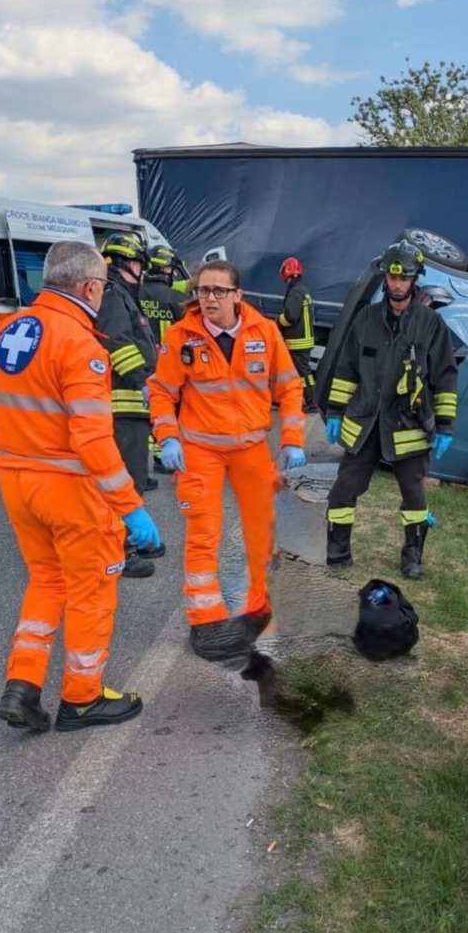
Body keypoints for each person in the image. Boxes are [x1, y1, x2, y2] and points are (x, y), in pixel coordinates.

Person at [0, 239, 162, 733]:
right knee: (92, 590)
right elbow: (92, 439)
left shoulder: (5, 332)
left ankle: (23, 684)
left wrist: (8, 464)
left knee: (46, 582)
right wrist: (130, 507)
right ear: (91, 286)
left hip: (18, 486)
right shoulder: (80, 345)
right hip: (71, 491)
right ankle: (83, 696)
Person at [148, 259, 307, 662]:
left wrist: (292, 439)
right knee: (204, 533)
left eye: (219, 291)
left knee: (262, 532)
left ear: (238, 295)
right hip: (199, 450)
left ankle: (257, 608)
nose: (210, 299)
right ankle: (205, 621)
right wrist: (168, 438)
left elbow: (289, 388)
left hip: (251, 448)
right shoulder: (181, 336)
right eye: (203, 291)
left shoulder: (264, 332)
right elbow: (162, 392)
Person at [324, 240, 458, 580]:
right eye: (392, 277)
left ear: (414, 280)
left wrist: (444, 426)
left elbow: (444, 377)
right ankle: (338, 552)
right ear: (385, 278)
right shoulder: (366, 320)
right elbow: (346, 368)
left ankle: (412, 557)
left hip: (409, 423)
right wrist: (337, 411)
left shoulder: (430, 324)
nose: (397, 284)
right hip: (365, 421)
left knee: (413, 495)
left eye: (404, 278)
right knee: (343, 490)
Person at [97, 231, 164, 577]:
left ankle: (128, 542)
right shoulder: (112, 295)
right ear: (126, 262)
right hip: (123, 406)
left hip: (132, 408)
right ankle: (118, 551)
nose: (142, 269)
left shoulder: (122, 295)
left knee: (134, 479)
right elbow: (118, 344)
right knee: (126, 482)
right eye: (138, 262)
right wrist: (143, 381)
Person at [139, 244, 191, 475]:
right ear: (167, 269)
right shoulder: (176, 299)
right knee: (171, 409)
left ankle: (154, 456)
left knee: (149, 411)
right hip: (171, 363)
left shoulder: (133, 295)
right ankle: (167, 454)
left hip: (140, 362)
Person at [276, 256, 318, 413]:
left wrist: (276, 323)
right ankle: (300, 400)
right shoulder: (302, 290)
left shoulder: (295, 292)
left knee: (302, 374)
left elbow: (290, 317)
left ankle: (311, 403)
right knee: (301, 373)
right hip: (303, 340)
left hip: (297, 341)